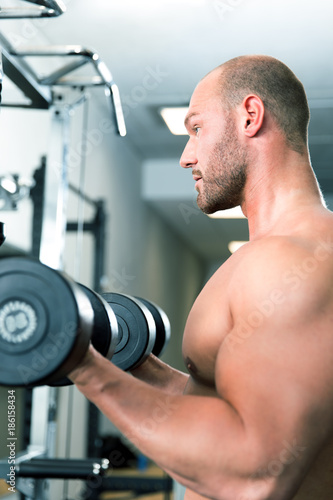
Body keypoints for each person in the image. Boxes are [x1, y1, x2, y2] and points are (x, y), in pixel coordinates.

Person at [69, 55, 333, 500]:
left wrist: (80, 364)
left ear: (250, 116)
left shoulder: (289, 262)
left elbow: (256, 475)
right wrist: (135, 365)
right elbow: (222, 405)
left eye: (196, 129)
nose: (185, 156)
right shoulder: (273, 256)